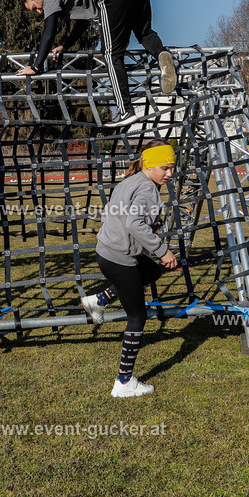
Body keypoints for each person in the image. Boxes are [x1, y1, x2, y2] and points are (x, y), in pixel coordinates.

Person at [18, 0, 177, 128]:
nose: (39, 12)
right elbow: (82, 24)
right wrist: (65, 46)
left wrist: (36, 67)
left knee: (110, 53)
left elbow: (48, 33)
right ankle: (161, 54)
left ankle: (126, 111)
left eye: (35, 7)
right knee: (144, 32)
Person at [80, 139, 179, 397]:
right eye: (165, 168)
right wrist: (163, 250)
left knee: (152, 272)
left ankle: (99, 300)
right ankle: (124, 381)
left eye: (172, 168)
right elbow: (135, 224)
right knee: (138, 316)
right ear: (150, 164)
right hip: (119, 259)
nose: (169, 173)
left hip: (108, 252)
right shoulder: (146, 189)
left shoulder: (132, 180)